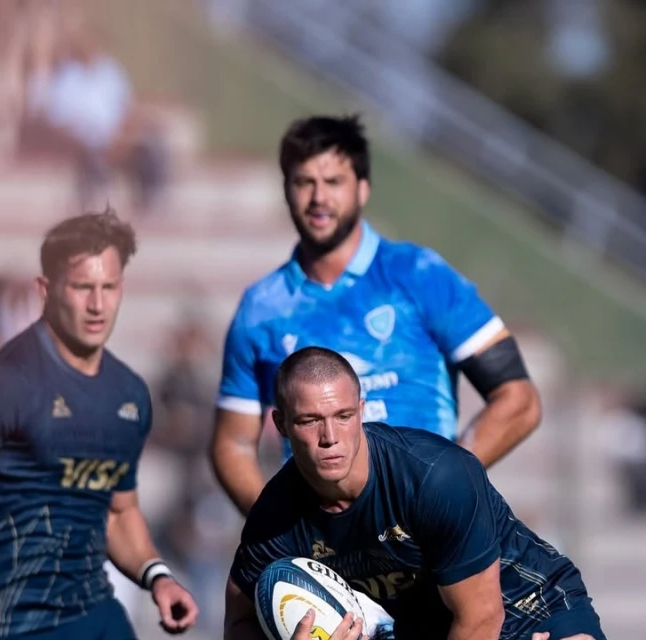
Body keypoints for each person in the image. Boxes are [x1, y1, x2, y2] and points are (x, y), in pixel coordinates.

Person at [211, 114, 541, 516]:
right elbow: (232, 444)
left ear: (363, 189)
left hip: (428, 541)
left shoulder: (419, 275)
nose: (318, 197)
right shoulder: (261, 307)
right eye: (304, 182)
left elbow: (519, 400)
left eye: (333, 182)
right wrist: (282, 526)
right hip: (329, 556)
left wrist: (440, 485)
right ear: (286, 190)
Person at [0, 210, 199, 639]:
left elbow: (118, 510)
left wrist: (158, 577)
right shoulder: (4, 383)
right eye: (81, 287)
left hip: (99, 619)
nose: (97, 304)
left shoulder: (128, 393)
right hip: (11, 624)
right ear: (45, 290)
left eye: (107, 287)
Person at [223, 346, 605, 640]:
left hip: (526, 609)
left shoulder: (435, 476)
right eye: (310, 421)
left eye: (342, 416)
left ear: (362, 410)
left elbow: (481, 619)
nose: (330, 438)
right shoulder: (274, 516)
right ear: (282, 424)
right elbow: (240, 621)